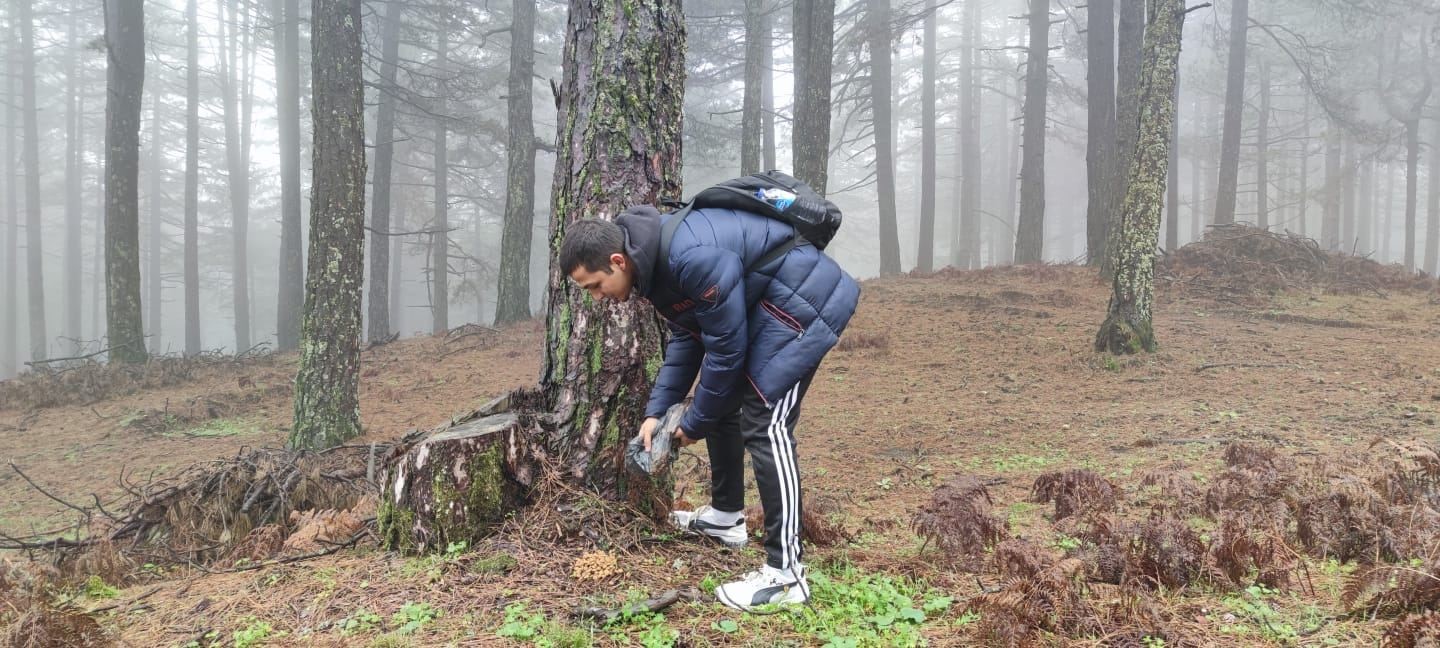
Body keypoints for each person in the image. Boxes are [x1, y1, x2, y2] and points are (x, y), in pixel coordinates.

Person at [558, 202, 859, 611]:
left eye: (594, 286)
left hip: (803, 300)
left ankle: (786, 576)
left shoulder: (686, 256)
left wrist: (694, 423)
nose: (596, 298)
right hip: (770, 301)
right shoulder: (653, 266)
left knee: (765, 420)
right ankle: (726, 517)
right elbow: (689, 338)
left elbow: (727, 352)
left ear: (616, 261)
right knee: (718, 399)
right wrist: (657, 412)